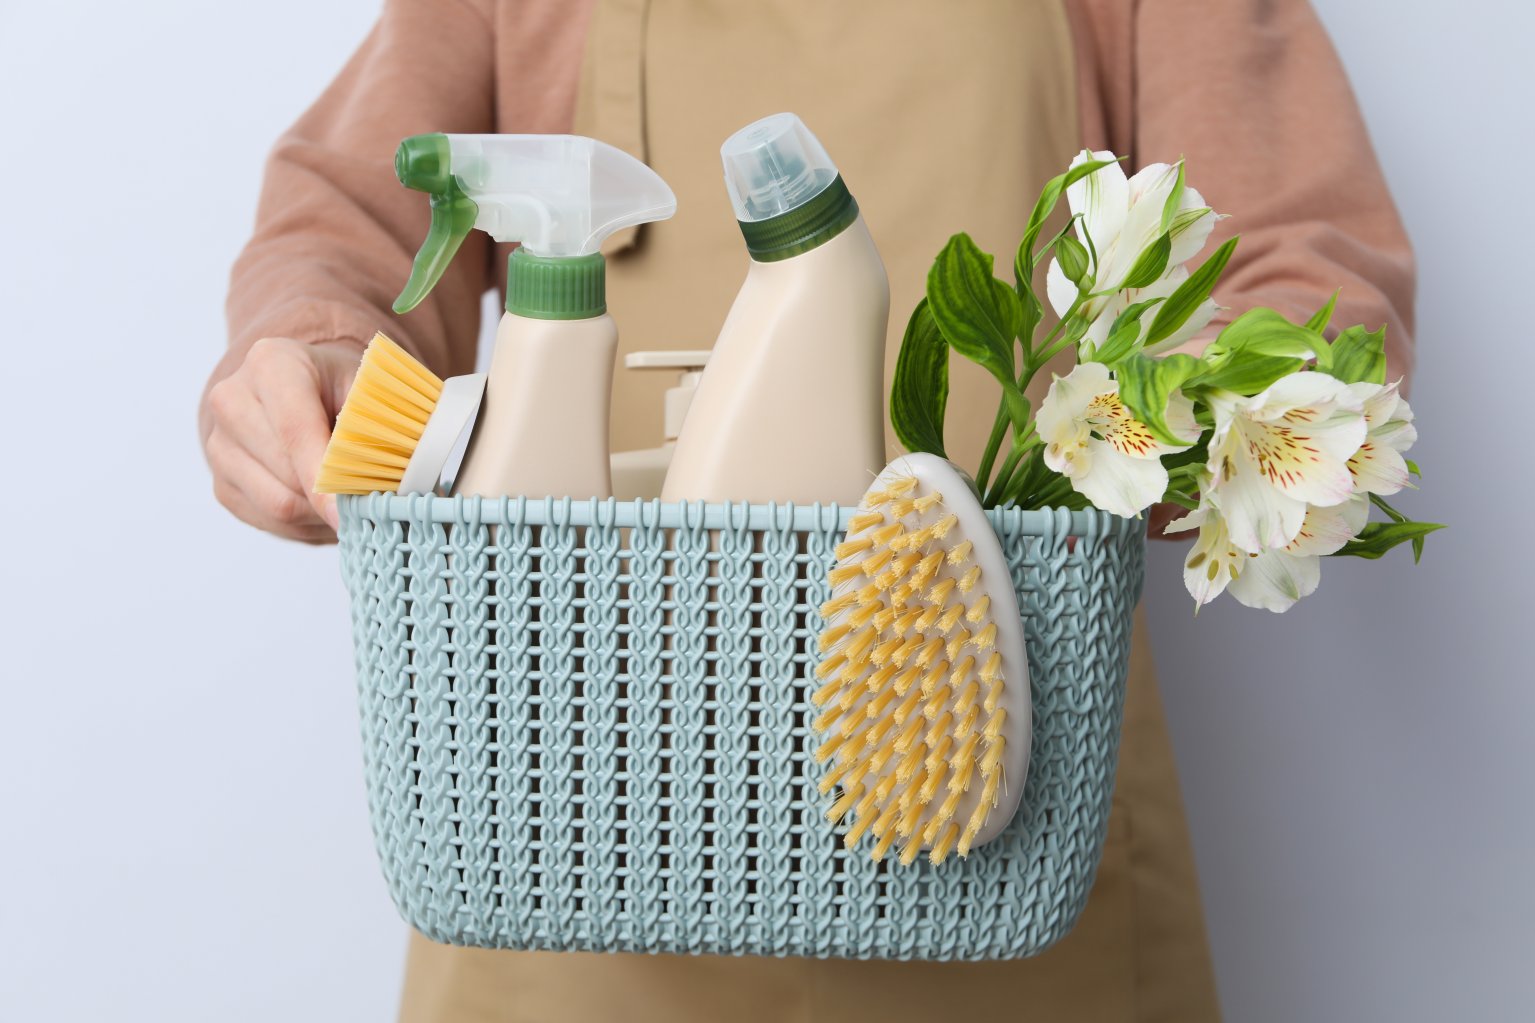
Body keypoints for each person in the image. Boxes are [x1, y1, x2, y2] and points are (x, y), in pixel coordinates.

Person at [201, 1, 1414, 1019]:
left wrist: (1194, 416)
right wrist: (307, 357)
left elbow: (1299, 279)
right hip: (568, 842)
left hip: (1000, 806)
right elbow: (351, 219)